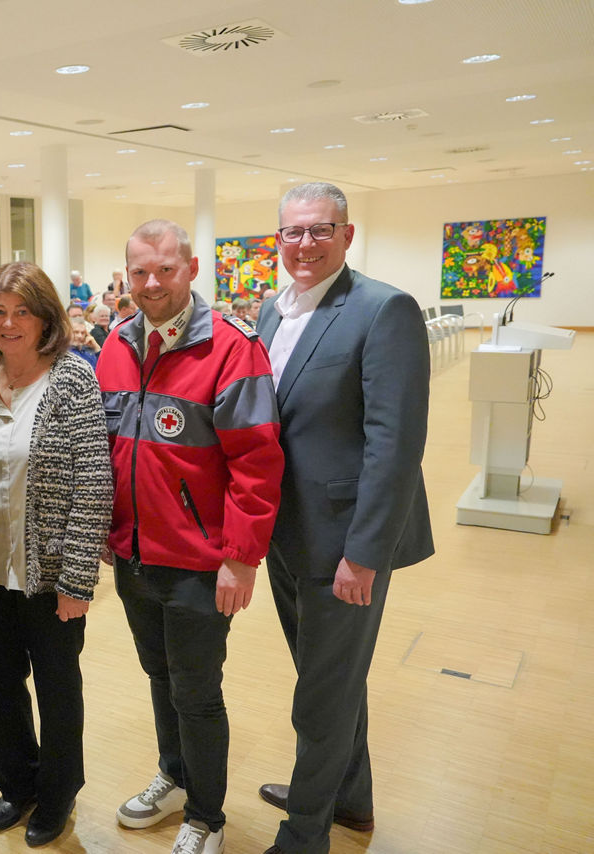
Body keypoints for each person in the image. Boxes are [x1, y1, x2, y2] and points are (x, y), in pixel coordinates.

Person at [254, 183, 433, 854]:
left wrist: (365, 553)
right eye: (293, 232)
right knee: (329, 679)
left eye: (320, 230)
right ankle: (347, 800)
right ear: (279, 239)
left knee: (322, 694)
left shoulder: (384, 309)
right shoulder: (273, 310)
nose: (305, 244)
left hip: (345, 544)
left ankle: (305, 833)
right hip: (286, 534)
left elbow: (396, 444)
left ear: (347, 236)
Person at [96, 219, 283, 854]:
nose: (151, 283)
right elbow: (109, 450)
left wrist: (241, 558)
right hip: (133, 555)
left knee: (196, 692)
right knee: (159, 675)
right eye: (139, 271)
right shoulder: (118, 342)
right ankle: (174, 777)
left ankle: (206, 817)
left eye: (165, 270)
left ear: (192, 269)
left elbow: (256, 464)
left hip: (201, 562)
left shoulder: (232, 347)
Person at [0, 262, 111, 847]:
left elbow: (93, 485)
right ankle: (17, 784)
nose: (9, 323)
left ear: (46, 317)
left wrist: (77, 580)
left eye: (23, 311)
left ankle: (58, 792)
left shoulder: (72, 380)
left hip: (49, 574)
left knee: (56, 687)